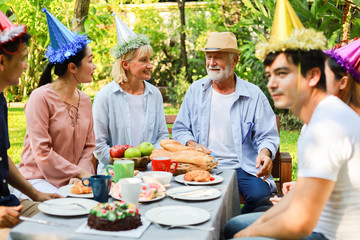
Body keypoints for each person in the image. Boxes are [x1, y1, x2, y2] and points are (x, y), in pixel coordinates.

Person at [224, 0, 360, 239]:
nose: (271, 84)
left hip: (330, 234)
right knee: (235, 226)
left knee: (238, 232)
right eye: (269, 75)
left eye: (282, 73)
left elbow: (300, 224)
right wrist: (252, 228)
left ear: (312, 76)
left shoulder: (326, 127)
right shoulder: (316, 120)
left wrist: (247, 235)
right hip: (316, 223)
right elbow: (300, 196)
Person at [172, 31, 280, 214]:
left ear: (235, 60)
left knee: (261, 199)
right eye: (209, 57)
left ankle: (234, 230)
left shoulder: (253, 95)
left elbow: (267, 135)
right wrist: (193, 145)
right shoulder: (195, 91)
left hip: (243, 167)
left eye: (218, 57)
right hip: (203, 165)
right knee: (183, 198)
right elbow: (181, 129)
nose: (212, 62)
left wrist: (265, 152)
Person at [16, 8, 96, 198]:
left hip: (73, 179)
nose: (94, 66)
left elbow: (89, 147)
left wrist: (79, 175)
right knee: (72, 205)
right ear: (72, 67)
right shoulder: (40, 98)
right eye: (91, 61)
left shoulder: (85, 100)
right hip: (38, 180)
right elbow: (42, 152)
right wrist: (77, 173)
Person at [0, 10, 61, 239]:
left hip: (11, 204)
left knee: (72, 217)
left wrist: (35, 194)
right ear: (2, 60)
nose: (26, 65)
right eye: (23, 58)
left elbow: (2, 158)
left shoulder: (1, 100)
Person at [92, 13, 168, 173]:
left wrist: (145, 162)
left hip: (149, 170)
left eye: (150, 59)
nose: (150, 65)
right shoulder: (105, 96)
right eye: (143, 60)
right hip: (113, 172)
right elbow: (98, 145)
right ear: (125, 64)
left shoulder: (154, 94)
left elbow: (162, 136)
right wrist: (125, 167)